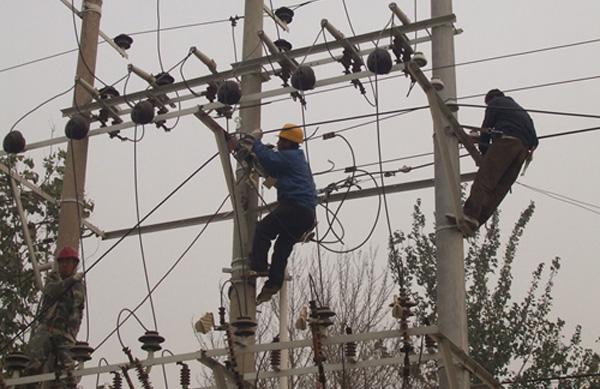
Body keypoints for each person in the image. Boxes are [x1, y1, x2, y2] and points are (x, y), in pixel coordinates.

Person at [245, 123, 317, 305]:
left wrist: (255, 141)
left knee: (263, 229)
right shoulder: (296, 160)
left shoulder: (290, 157)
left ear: (288, 142)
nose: (278, 143)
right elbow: (272, 167)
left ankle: (258, 266)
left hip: (295, 207)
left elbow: (269, 159)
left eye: (281, 140)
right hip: (306, 215)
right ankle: (274, 283)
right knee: (282, 248)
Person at [462, 89, 538, 235]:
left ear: (489, 100)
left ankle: (470, 215)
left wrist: (484, 152)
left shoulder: (495, 103)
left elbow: (486, 129)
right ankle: (477, 221)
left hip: (507, 142)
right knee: (499, 189)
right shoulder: (522, 112)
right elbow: (535, 140)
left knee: (485, 179)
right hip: (523, 152)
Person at [24, 246, 85, 388]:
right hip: (46, 329)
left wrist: (72, 334)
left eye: (68, 262)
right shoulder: (53, 279)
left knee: (67, 372)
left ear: (74, 265)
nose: (64, 265)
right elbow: (53, 291)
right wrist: (71, 281)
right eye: (62, 262)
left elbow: (77, 310)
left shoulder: (79, 286)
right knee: (34, 360)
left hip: (65, 333)